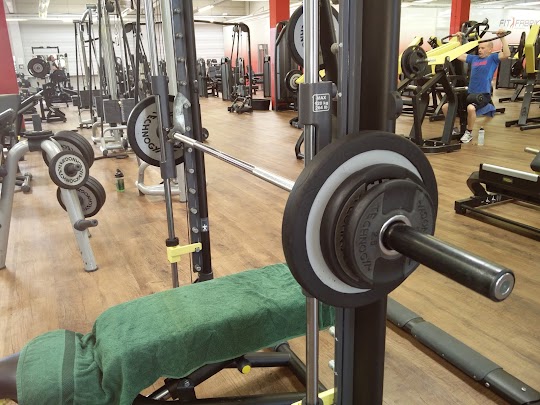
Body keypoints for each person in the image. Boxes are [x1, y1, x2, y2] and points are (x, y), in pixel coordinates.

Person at [442, 28, 510, 143]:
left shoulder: (492, 58)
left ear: (490, 49)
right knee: (446, 107)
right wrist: (459, 40)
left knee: (471, 108)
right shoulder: (474, 59)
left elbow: (507, 54)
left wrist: (502, 37)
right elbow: (459, 55)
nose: (480, 50)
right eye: (479, 48)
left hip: (483, 94)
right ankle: (453, 129)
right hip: (470, 93)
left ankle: (469, 133)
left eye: (483, 48)